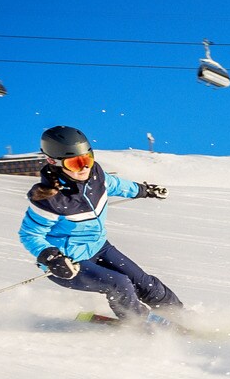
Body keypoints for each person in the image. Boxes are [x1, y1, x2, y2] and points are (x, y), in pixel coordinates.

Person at [18, 125, 184, 325]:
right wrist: (52, 258)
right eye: (74, 163)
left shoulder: (96, 176)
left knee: (144, 282)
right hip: (69, 262)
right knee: (119, 284)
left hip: (99, 247)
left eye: (87, 159)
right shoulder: (50, 199)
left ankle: (182, 316)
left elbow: (116, 185)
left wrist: (144, 190)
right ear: (54, 162)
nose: (84, 168)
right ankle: (138, 323)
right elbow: (30, 234)